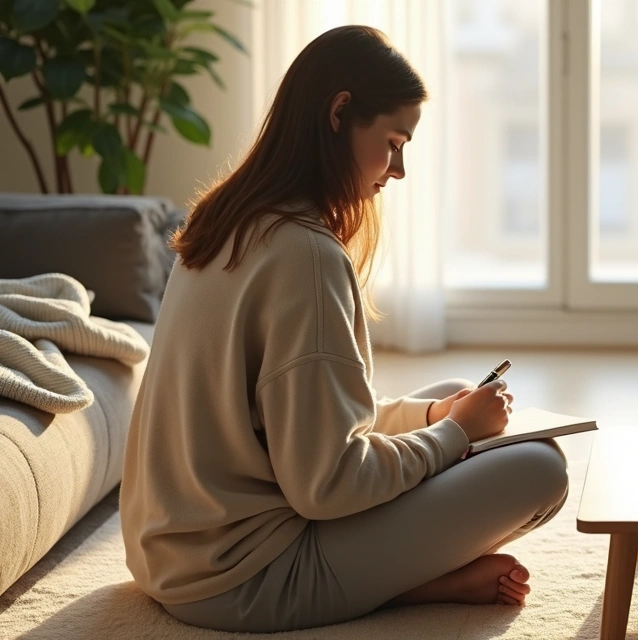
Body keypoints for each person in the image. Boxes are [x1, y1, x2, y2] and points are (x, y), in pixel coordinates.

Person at [119, 25, 569, 634]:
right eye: (393, 142)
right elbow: (326, 486)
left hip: (170, 555)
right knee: (541, 470)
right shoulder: (305, 255)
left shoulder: (228, 218)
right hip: (243, 578)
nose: (399, 169)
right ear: (340, 112)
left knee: (450, 394)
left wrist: (438, 420)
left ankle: (405, 568)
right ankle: (407, 586)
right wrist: (454, 438)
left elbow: (304, 424)